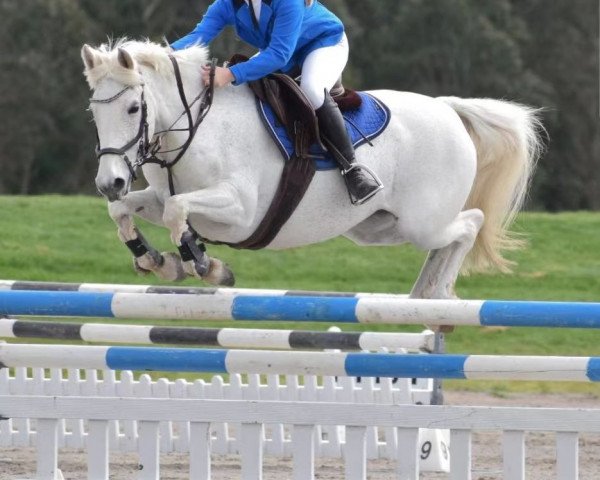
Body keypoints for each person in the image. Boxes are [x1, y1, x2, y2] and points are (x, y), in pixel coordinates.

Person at [171, 0, 382, 204]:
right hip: (281, 50)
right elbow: (198, 37)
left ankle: (353, 169)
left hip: (322, 44)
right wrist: (159, 56)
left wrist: (229, 74)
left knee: (312, 90)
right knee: (242, 91)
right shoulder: (227, 4)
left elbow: (279, 55)